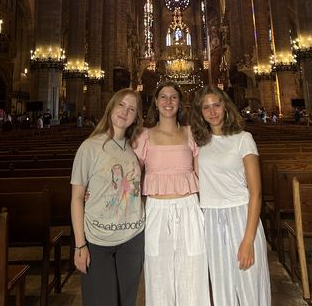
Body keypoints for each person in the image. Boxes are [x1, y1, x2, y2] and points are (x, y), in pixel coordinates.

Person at [191, 85, 271, 306]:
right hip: (211, 219)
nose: (212, 111)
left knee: (249, 287)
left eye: (217, 105)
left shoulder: (243, 138)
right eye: (206, 107)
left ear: (225, 106)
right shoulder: (199, 143)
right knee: (221, 288)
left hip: (241, 216)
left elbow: (256, 193)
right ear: (200, 113)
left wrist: (248, 240)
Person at [134, 80, 210, 306]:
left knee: (194, 272)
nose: (168, 101)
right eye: (163, 97)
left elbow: (203, 174)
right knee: (159, 275)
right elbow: (131, 176)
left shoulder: (191, 133)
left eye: (173, 97)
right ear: (155, 103)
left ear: (180, 103)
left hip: (189, 208)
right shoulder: (143, 136)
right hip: (157, 211)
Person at [70, 88, 145, 306]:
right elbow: (76, 198)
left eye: (132, 109)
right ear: (110, 107)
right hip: (97, 239)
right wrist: (79, 245)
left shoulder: (137, 148)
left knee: (126, 301)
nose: (125, 111)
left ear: (136, 116)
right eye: (121, 105)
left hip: (133, 237)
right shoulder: (89, 147)